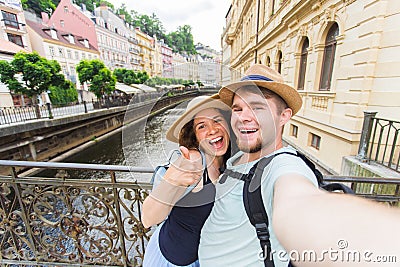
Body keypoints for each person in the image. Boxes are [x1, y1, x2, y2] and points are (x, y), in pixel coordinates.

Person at [194, 64, 400, 266]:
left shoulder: (284, 166)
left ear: (284, 116)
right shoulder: (237, 158)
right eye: (238, 109)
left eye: (258, 107)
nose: (243, 117)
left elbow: (302, 204)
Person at [142, 94, 234, 267]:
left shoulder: (232, 163)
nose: (212, 130)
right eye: (202, 126)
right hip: (170, 260)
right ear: (195, 136)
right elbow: (148, 219)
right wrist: (171, 181)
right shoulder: (193, 162)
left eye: (217, 120)